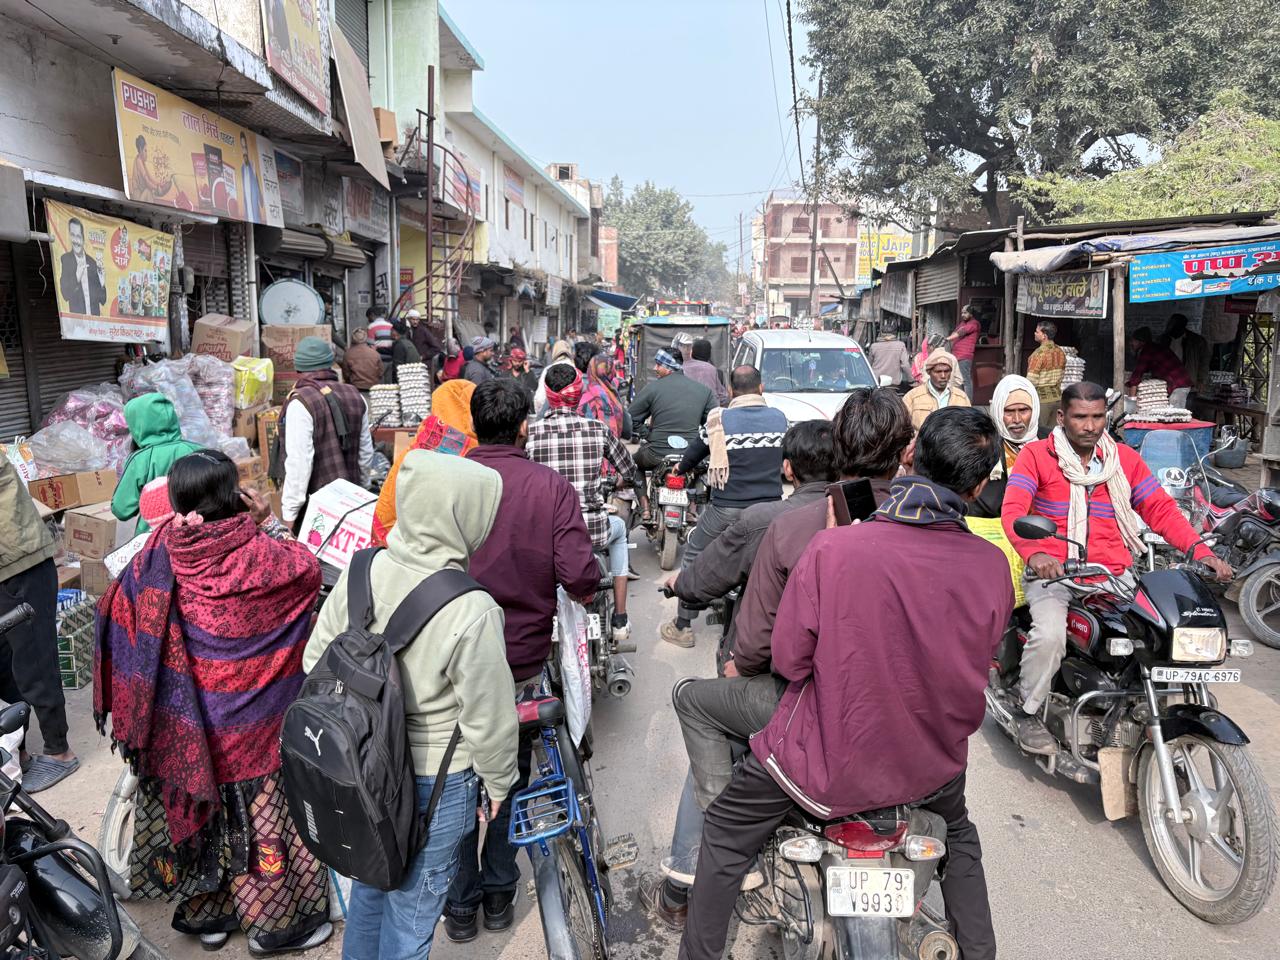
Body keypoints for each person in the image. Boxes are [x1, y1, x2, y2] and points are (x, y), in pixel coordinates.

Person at [676, 408, 1014, 960]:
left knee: (725, 834)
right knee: (962, 845)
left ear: (913, 456)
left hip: (822, 763)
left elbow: (788, 659)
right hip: (931, 766)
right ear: (978, 486)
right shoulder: (992, 564)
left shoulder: (833, 548)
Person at [96, 451, 333, 954]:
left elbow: (118, 611)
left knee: (211, 818)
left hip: (191, 727)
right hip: (258, 724)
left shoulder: (156, 555)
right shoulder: (265, 555)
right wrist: (268, 520)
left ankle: (213, 916)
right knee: (263, 821)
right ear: (234, 496)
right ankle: (274, 927)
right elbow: (310, 573)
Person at [305, 449, 519, 958]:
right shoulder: (471, 608)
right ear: (464, 517)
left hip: (358, 766)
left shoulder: (362, 570)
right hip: (433, 782)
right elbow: (488, 719)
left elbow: (316, 659)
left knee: (371, 893)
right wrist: (499, 783)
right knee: (412, 917)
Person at [443, 379, 598, 940]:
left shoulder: (445, 483)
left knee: (455, 772)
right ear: (524, 427)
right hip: (521, 660)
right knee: (510, 775)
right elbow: (581, 576)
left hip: (450, 659)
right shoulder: (550, 488)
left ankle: (459, 908)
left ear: (473, 426)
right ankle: (500, 895)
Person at [1000, 381, 1232, 754]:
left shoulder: (1123, 460)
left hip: (1114, 576)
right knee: (1051, 636)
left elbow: (1159, 508)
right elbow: (1012, 510)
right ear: (1062, 417)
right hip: (1057, 574)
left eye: (1097, 417)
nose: (1090, 426)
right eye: (1080, 417)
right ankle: (1028, 709)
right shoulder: (1037, 457)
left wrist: (1199, 550)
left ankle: (1136, 708)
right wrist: (1035, 554)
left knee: (1156, 635)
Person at [661, 366, 787, 648]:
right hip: (769, 510)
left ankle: (682, 625)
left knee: (695, 552)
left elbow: (694, 452)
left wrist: (680, 468)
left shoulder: (718, 420)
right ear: (761, 388)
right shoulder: (779, 419)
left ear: (730, 392)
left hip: (726, 509)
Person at [527, 364, 637, 641]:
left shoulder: (531, 433)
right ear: (577, 396)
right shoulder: (596, 429)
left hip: (546, 536)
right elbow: (629, 469)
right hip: (593, 530)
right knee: (620, 532)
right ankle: (620, 619)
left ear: (549, 396)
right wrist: (619, 482)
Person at [0, 458, 77, 793]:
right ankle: (20, 750)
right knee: (6, 665)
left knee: (34, 662)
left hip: (21, 565)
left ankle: (59, 751)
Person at [276, 336, 375, 528]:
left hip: (317, 513)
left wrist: (289, 515)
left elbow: (299, 463)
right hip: (353, 507)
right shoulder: (355, 395)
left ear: (298, 367)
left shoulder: (301, 401)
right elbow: (365, 454)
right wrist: (362, 490)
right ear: (330, 363)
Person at [372, 380, 477, 544]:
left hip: (408, 541)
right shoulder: (477, 449)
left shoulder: (421, 441)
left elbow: (392, 490)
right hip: (452, 546)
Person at [628, 349, 717, 523]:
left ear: (669, 367)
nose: (655, 368)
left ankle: (644, 507)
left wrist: (649, 434)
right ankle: (692, 508)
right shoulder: (704, 391)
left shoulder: (652, 388)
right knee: (700, 470)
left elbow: (630, 419)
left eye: (659, 365)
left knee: (633, 464)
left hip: (656, 454)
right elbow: (713, 424)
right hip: (691, 455)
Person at [112, 393, 202, 534]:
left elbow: (121, 510)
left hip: (154, 538)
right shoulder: (198, 450)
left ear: (137, 424)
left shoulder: (140, 460)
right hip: (199, 532)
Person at [971, 374, 1049, 519]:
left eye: (1024, 410)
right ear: (998, 411)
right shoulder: (984, 444)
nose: (1017, 419)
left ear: (1035, 409)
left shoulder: (1050, 441)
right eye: (1009, 412)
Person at [904, 348, 971, 428]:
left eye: (946, 371)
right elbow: (902, 426)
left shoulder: (961, 397)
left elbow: (969, 426)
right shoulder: (913, 396)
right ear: (929, 372)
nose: (943, 376)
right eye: (938, 372)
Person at [1126, 326, 1192, 400]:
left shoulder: (1147, 351)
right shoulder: (1154, 348)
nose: (1131, 343)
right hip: (1180, 382)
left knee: (1175, 410)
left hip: (1178, 384)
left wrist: (1131, 400)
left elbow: (1137, 375)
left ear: (1141, 341)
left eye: (1133, 340)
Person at [59, 217, 106, 316]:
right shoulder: (66, 260)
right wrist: (76, 277)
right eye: (72, 235)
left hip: (94, 323)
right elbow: (65, 295)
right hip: (77, 325)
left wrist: (102, 284)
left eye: (78, 236)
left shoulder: (92, 263)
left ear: (83, 238)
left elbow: (103, 300)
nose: (75, 240)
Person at [1026, 320, 1067, 427]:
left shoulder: (1038, 354)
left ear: (1044, 336)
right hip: (1058, 399)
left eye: (1037, 331)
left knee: (1041, 433)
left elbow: (1031, 381)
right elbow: (1062, 375)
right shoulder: (1060, 352)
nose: (1035, 333)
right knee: (1054, 433)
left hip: (1042, 401)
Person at [578, 353, 626, 438]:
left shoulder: (582, 393)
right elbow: (627, 429)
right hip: (612, 445)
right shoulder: (613, 391)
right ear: (611, 371)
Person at [1162, 313, 1210, 393]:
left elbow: (1204, 361)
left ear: (1183, 326)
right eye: (1170, 325)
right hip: (1166, 381)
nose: (1171, 328)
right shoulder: (1163, 340)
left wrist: (1201, 379)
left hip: (1187, 381)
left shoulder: (1197, 341)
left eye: (1175, 326)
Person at [682, 337, 729, 406]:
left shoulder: (683, 367)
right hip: (710, 410)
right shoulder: (711, 369)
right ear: (709, 353)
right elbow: (723, 397)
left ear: (693, 352)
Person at [946, 305, 982, 394]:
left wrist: (946, 339)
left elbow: (961, 332)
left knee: (966, 381)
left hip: (964, 356)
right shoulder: (963, 323)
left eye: (965, 313)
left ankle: (967, 404)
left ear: (971, 313)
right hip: (956, 356)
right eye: (962, 312)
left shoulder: (974, 323)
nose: (963, 315)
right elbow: (955, 332)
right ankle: (961, 401)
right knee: (958, 380)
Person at [533, 339, 576, 412]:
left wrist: (540, 414)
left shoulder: (548, 370)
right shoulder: (576, 370)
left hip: (551, 414)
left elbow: (539, 399)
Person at [130, 135, 173, 202]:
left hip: (142, 194)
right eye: (145, 150)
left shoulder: (142, 162)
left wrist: (159, 184)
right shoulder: (139, 161)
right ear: (141, 149)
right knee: (148, 192)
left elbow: (150, 178)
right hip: (138, 197)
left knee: (149, 192)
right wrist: (158, 189)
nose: (146, 154)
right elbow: (147, 181)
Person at [341, 326, 384, 391]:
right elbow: (380, 373)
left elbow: (346, 375)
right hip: (373, 387)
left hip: (355, 388)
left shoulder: (348, 354)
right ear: (366, 338)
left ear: (352, 339)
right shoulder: (375, 353)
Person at [239, 131, 265, 223]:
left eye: (245, 147)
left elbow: (257, 181)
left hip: (254, 201)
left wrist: (260, 196)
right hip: (247, 205)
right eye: (242, 148)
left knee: (256, 216)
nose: (244, 151)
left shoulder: (252, 165)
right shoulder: (242, 168)